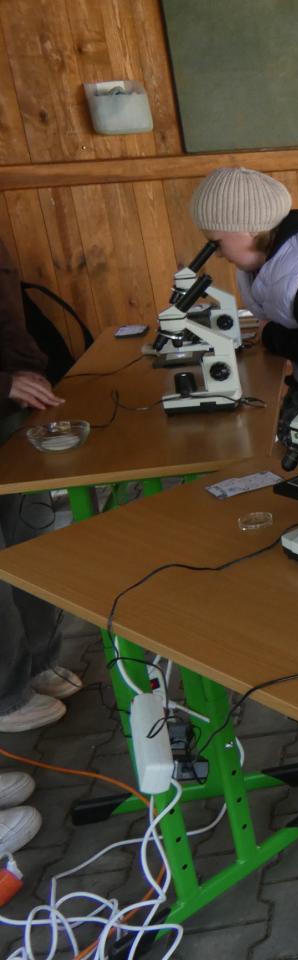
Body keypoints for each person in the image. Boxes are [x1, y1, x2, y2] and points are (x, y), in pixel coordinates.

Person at [188, 167, 298, 422]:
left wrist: (270, 335)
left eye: (217, 243)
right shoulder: (272, 265)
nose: (218, 254)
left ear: (250, 229)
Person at [0, 238, 82, 735]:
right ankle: (6, 695)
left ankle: (38, 661)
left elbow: (10, 312)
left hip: (9, 408)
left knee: (28, 540)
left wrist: (29, 367)